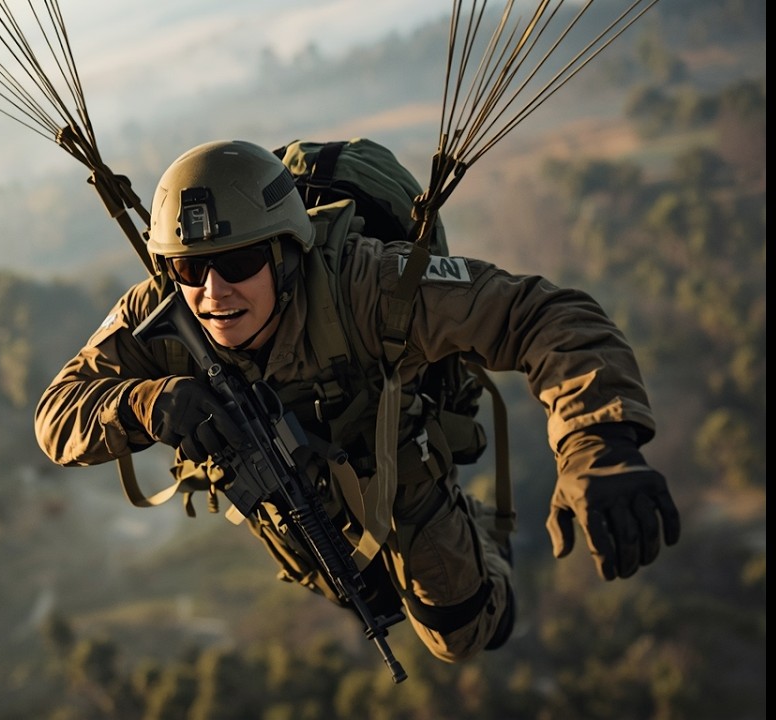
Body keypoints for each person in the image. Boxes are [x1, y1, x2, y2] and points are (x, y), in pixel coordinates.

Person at [33, 139, 681, 663]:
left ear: (287, 254)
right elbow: (57, 415)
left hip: (396, 459)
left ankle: (483, 545)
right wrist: (150, 403)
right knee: (357, 590)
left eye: (239, 263)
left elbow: (542, 315)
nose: (211, 291)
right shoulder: (162, 312)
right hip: (300, 505)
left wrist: (600, 445)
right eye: (189, 267)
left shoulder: (369, 284)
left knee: (463, 633)